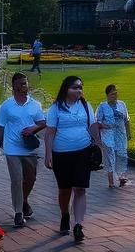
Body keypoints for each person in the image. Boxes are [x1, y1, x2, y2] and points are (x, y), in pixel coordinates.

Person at [45, 75, 99, 243]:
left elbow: (92, 126)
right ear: (66, 88)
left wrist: (98, 143)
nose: (79, 90)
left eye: (80, 87)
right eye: (75, 87)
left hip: (82, 152)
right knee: (65, 189)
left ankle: (78, 225)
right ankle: (65, 214)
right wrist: (48, 154)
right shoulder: (56, 108)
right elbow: (50, 132)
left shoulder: (85, 105)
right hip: (61, 154)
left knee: (80, 188)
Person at [0, 72, 47, 228]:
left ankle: (23, 200)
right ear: (15, 86)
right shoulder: (6, 106)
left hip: (29, 148)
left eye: (26, 83)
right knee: (16, 179)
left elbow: (42, 122)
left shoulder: (34, 104)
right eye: (22, 83)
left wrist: (33, 128)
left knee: (31, 178)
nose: (25, 86)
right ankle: (18, 213)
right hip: (12, 148)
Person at [95, 84, 131, 188]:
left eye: (116, 93)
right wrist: (104, 125)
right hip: (108, 136)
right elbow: (97, 121)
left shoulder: (122, 104)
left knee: (121, 155)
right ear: (107, 95)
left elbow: (126, 120)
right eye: (112, 94)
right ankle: (111, 182)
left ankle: (121, 177)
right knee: (110, 157)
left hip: (121, 135)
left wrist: (129, 133)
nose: (114, 96)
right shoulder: (102, 106)